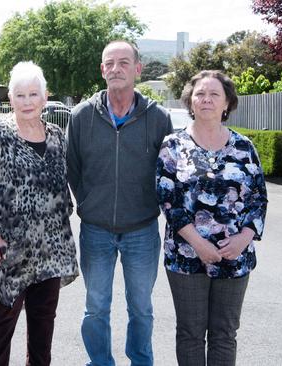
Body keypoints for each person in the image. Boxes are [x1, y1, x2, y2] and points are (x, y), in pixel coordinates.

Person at [0, 61, 79, 365]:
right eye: (20, 95)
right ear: (10, 99)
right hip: (8, 253)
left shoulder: (55, 136)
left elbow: (63, 188)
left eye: (33, 94)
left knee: (43, 333)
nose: (27, 102)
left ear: (45, 97)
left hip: (51, 253)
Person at [66, 40, 173, 366]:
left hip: (142, 231)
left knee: (141, 307)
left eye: (124, 62)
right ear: (102, 70)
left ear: (138, 69)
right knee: (96, 306)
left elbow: (167, 172)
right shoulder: (82, 116)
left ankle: (141, 361)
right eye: (109, 63)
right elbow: (72, 167)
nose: (116, 68)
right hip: (95, 230)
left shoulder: (159, 119)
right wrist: (86, 201)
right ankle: (100, 362)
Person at [156, 70, 268, 366]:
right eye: (199, 94)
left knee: (224, 334)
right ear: (190, 103)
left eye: (214, 94)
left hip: (235, 256)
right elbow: (169, 200)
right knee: (191, 333)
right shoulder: (173, 146)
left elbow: (259, 198)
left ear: (227, 103)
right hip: (186, 256)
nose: (206, 99)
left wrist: (244, 239)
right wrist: (199, 244)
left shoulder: (245, 148)